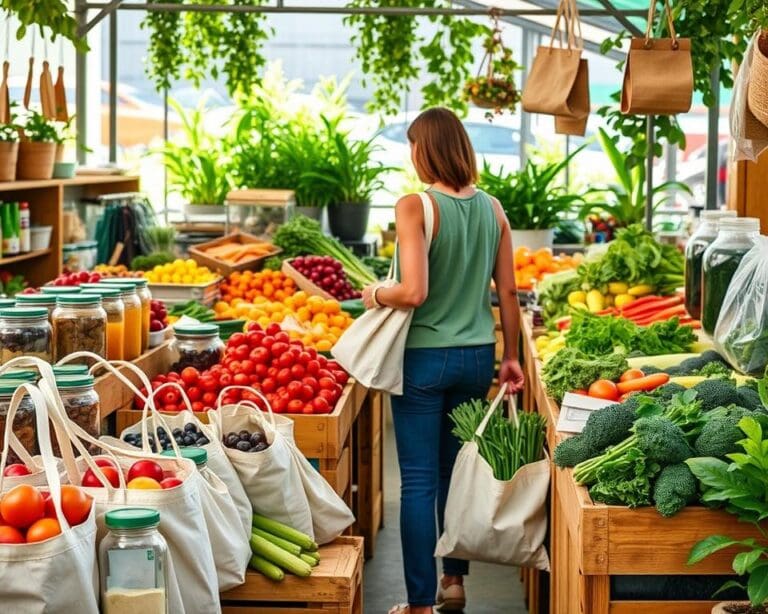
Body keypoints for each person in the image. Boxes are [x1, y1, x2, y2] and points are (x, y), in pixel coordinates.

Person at [361, 107, 525, 614]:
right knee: (455, 475)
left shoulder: (415, 206)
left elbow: (413, 291)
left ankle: (417, 604)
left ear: (424, 150)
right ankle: (453, 582)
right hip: (477, 357)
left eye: (413, 146)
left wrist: (375, 293)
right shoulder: (493, 208)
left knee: (417, 480)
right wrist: (510, 358)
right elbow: (510, 293)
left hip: (424, 361)